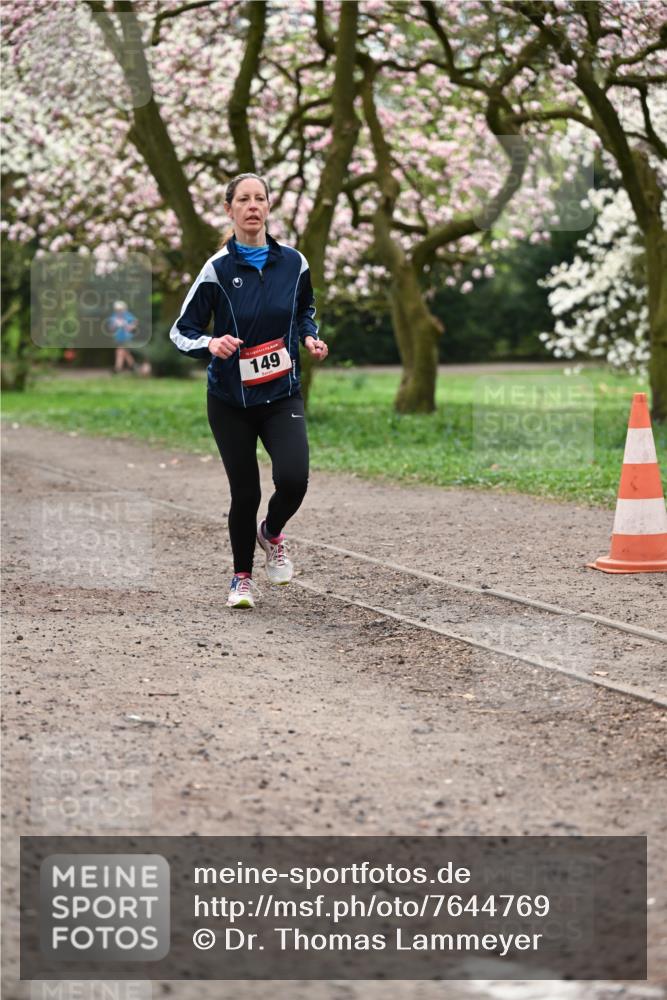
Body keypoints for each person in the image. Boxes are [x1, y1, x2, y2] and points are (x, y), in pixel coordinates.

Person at [170, 172, 328, 609]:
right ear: (230, 209)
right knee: (246, 492)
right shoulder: (217, 269)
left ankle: (271, 533)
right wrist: (211, 343)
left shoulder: (294, 263)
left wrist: (310, 336)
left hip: (281, 393)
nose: (253, 205)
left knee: (294, 478)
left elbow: (304, 310)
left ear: (268, 207)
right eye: (244, 199)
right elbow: (181, 331)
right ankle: (241, 578)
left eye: (260, 198)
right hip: (230, 401)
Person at [107, 300, 138, 373]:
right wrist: (115, 325)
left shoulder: (127, 315)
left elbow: (134, 323)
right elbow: (111, 328)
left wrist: (128, 326)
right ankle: (133, 366)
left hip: (126, 337)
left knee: (119, 351)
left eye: (120, 309)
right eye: (117, 309)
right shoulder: (114, 317)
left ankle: (117, 368)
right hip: (119, 338)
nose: (119, 311)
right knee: (126, 353)